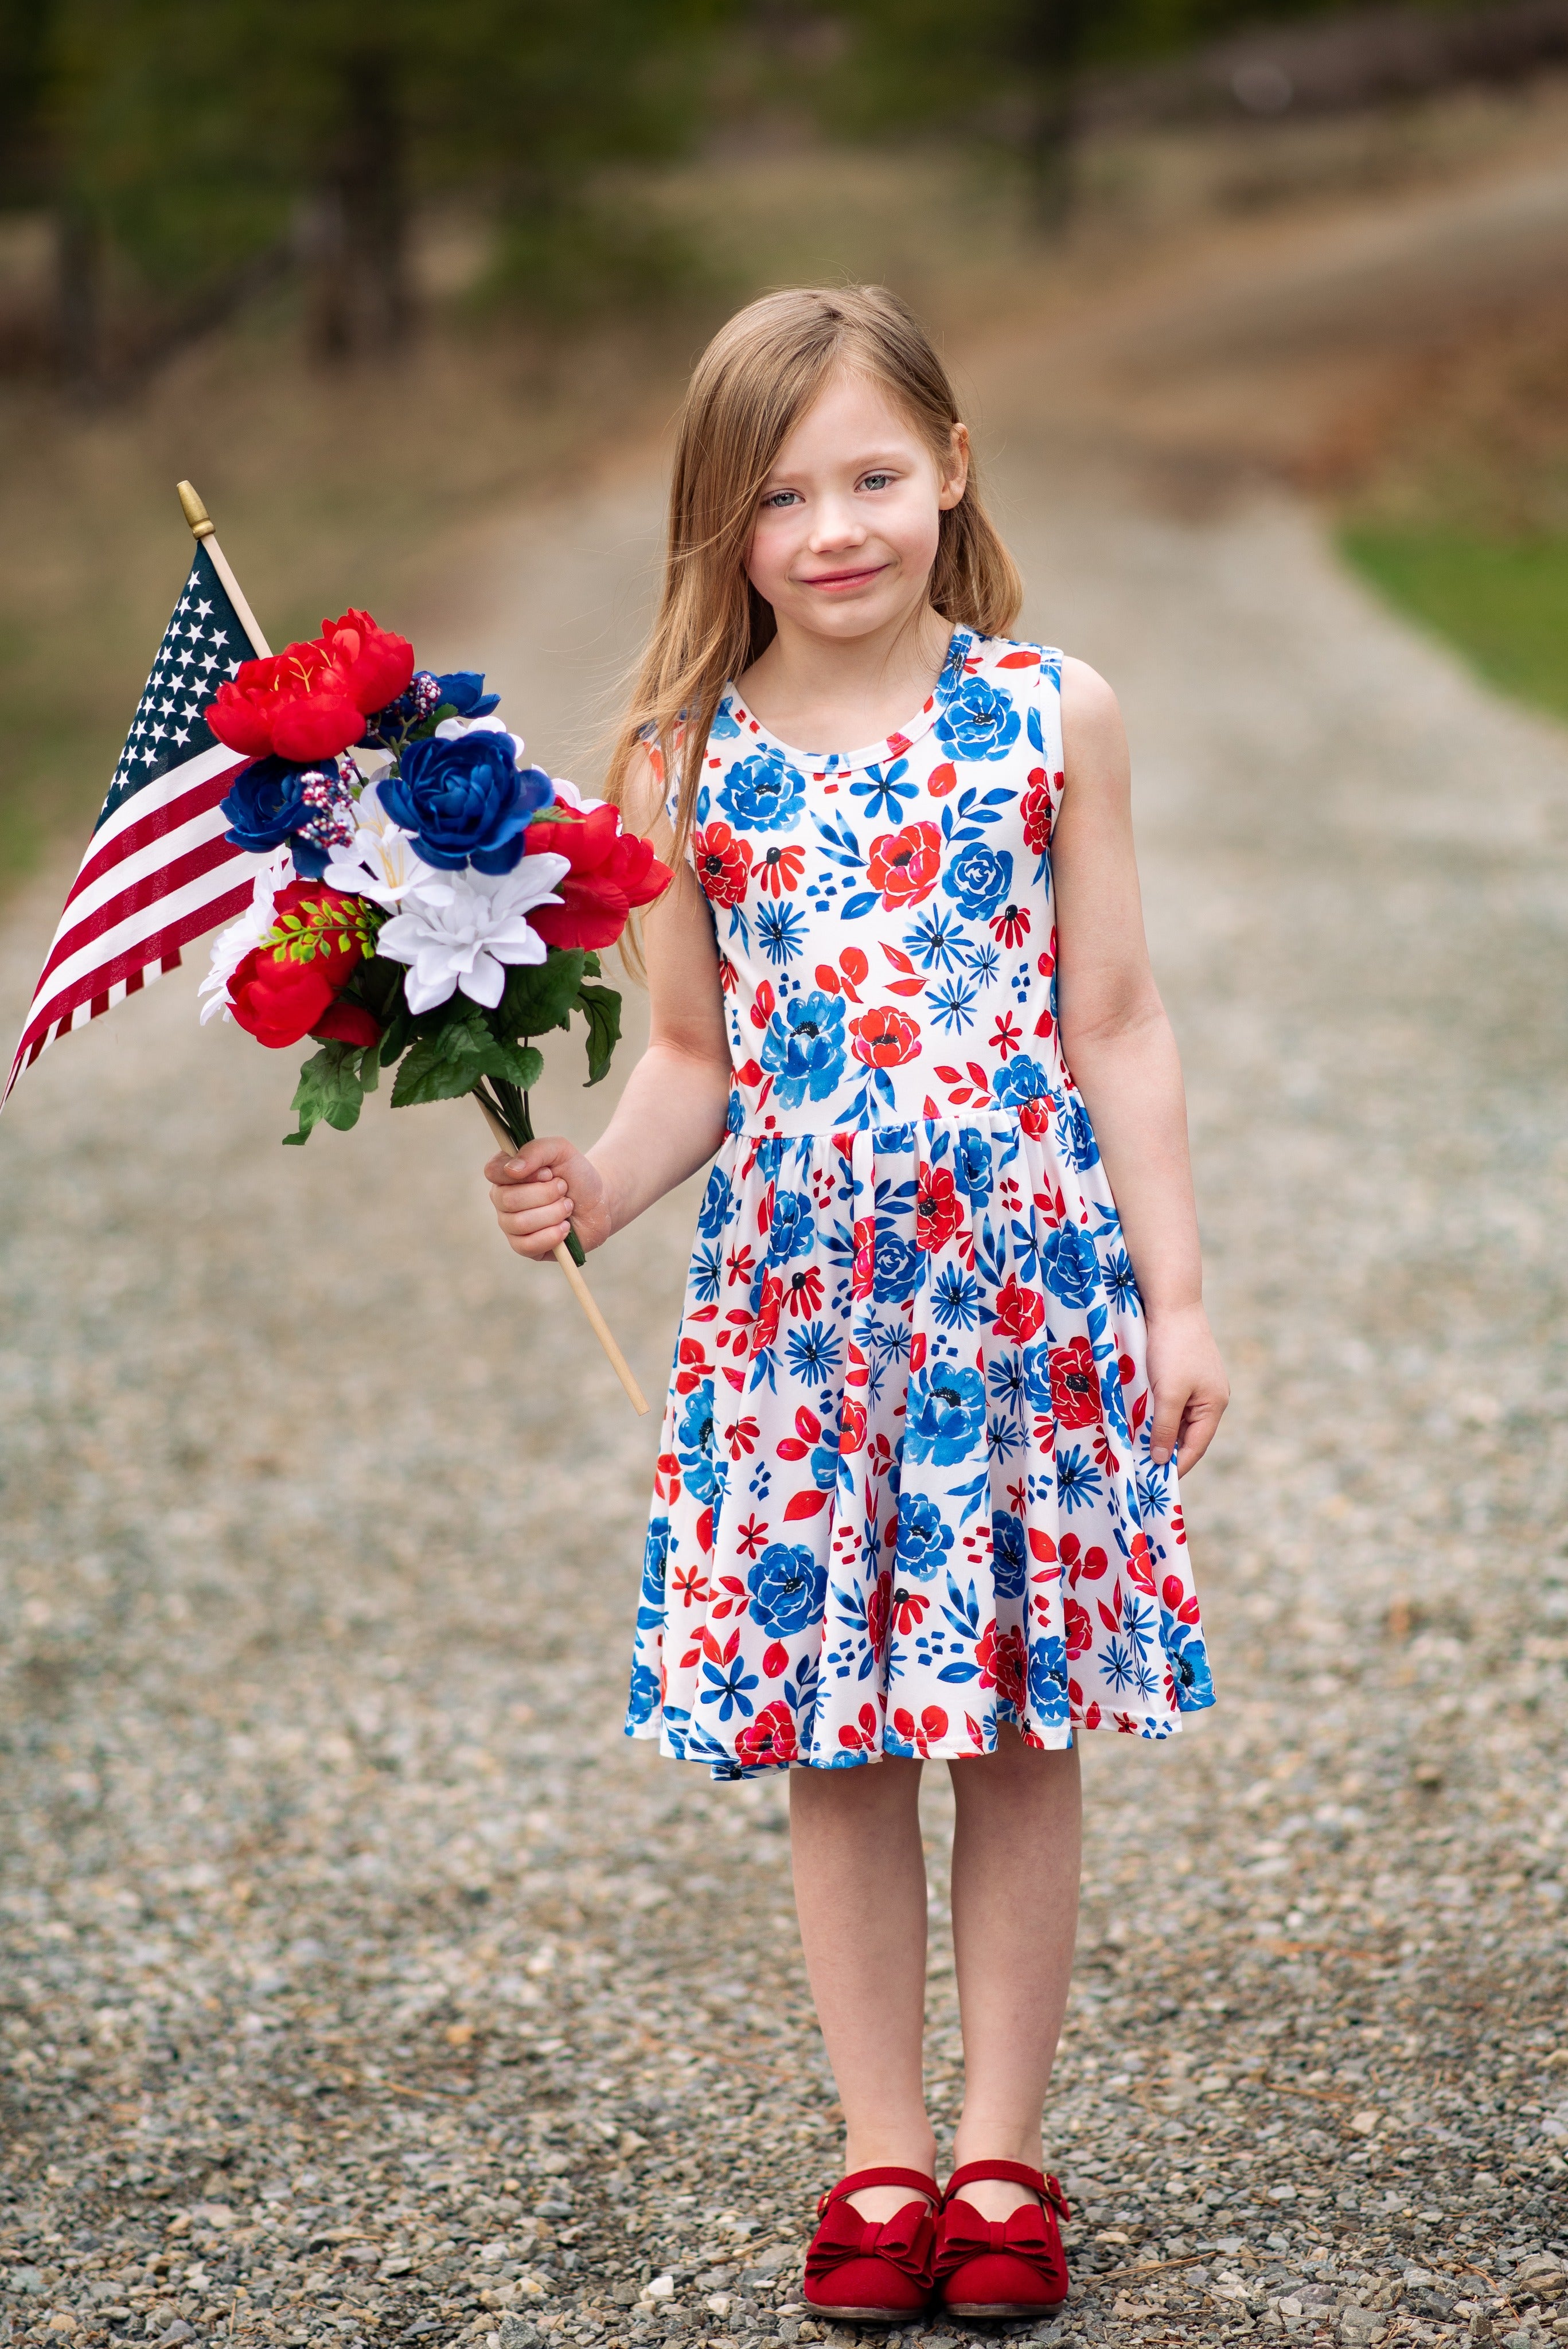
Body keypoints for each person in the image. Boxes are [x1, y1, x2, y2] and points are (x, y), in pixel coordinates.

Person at [485, 284, 1228, 2324]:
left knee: (1010, 1730)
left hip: (1024, 1310)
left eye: (876, 477)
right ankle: (880, 2158)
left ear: (954, 470)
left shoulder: (1047, 714)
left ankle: (1001, 2155)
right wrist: (599, 1189)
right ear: (718, 524)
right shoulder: (684, 759)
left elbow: (1123, 1017)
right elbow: (692, 1067)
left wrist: (1179, 1293)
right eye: (781, 494)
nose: (835, 528)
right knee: (835, 1743)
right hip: (802, 1330)